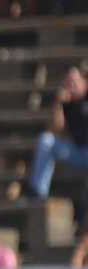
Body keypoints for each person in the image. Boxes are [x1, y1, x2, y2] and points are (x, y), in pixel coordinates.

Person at [30, 67, 88, 198]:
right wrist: (58, 104)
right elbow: (58, 131)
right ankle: (38, 193)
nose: (71, 86)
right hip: (77, 151)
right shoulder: (67, 103)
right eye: (67, 83)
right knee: (45, 140)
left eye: (74, 81)